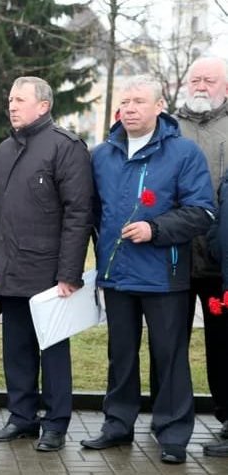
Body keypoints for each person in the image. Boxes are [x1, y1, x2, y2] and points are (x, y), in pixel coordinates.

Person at [82, 75, 214, 464]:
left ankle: (172, 434)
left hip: (164, 275)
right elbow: (90, 213)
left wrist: (154, 229)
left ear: (160, 106)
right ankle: (117, 425)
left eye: (139, 101)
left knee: (169, 356)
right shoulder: (101, 155)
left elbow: (202, 212)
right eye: (125, 101)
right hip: (118, 274)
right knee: (120, 354)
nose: (130, 108)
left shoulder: (184, 154)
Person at [0, 77, 93, 451]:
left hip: (49, 274)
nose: (11, 105)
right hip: (11, 269)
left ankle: (56, 423)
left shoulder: (66, 148)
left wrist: (69, 273)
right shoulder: (4, 150)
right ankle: (22, 417)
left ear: (43, 106)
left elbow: (79, 213)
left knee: (53, 351)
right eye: (10, 99)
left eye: (20, 100)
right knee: (16, 348)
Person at [174, 57, 228, 458]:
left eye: (210, 79)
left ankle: (226, 418)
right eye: (196, 79)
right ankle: (168, 416)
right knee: (167, 343)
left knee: (223, 344)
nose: (201, 86)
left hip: (219, 263)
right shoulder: (169, 127)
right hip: (172, 258)